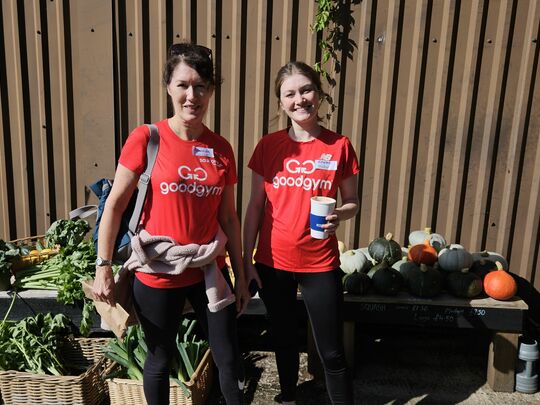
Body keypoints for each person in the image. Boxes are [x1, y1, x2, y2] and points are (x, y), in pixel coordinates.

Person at [92, 42, 250, 405]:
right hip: (158, 269)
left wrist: (241, 273)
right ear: (168, 86)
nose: (192, 95)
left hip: (208, 267)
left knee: (228, 358)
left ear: (211, 91)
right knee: (160, 358)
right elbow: (114, 205)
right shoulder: (147, 138)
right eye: (183, 85)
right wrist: (103, 267)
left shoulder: (222, 148)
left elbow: (229, 216)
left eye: (201, 86)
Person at [243, 61, 359, 405]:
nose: (300, 99)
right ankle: (288, 397)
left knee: (331, 351)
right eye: (290, 93)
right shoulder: (268, 146)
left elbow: (352, 200)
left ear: (319, 95)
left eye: (306, 90)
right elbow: (254, 208)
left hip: (320, 263)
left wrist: (340, 214)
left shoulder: (339, 145)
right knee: (282, 341)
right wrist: (246, 261)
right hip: (273, 261)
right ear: (281, 103)